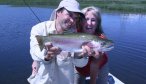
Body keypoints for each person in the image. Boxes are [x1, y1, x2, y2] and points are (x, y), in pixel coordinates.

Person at [27, 0, 98, 84]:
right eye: (69, 14)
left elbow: (80, 65)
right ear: (58, 12)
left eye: (75, 18)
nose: (72, 21)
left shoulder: (77, 36)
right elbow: (34, 53)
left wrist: (81, 55)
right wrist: (46, 55)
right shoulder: (39, 29)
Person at [74, 6, 109, 84]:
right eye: (86, 19)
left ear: (97, 23)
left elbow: (95, 64)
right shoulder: (75, 33)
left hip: (100, 66)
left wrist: (92, 82)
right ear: (81, 21)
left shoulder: (101, 39)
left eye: (93, 20)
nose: (89, 23)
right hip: (80, 68)